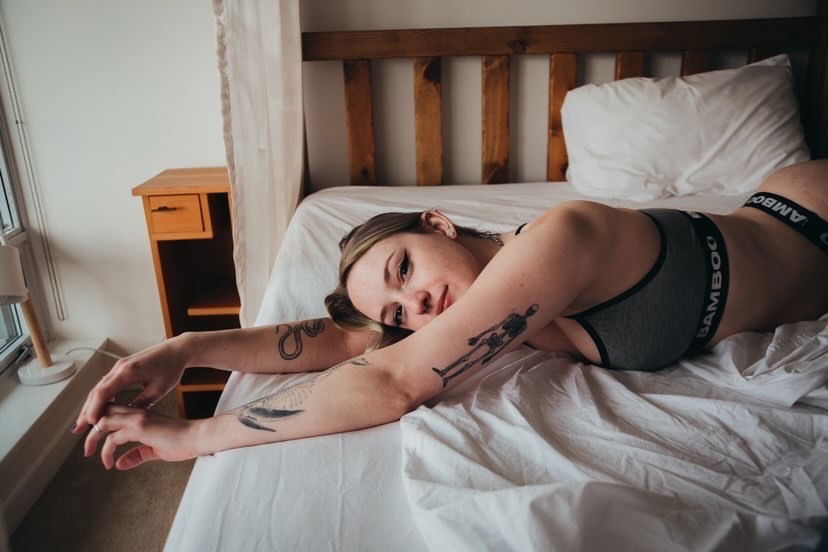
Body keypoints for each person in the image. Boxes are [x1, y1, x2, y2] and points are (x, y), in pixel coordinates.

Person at [72, 160, 828, 470]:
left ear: (437, 222)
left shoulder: (562, 238)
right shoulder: (487, 302)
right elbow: (342, 340)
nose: (418, 306)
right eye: (399, 311)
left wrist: (194, 436)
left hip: (810, 213)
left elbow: (393, 380)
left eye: (404, 269)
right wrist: (185, 348)